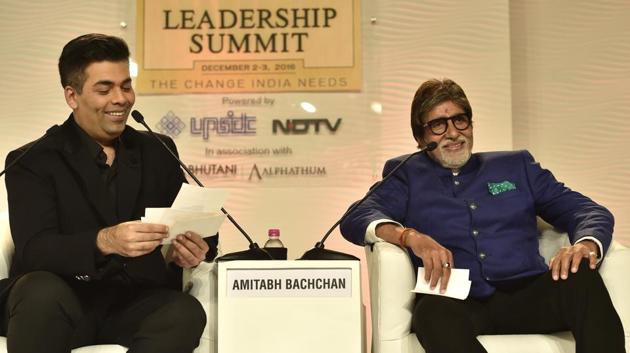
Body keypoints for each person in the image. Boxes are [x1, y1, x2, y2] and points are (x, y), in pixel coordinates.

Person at [340, 78, 625, 353]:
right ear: (420, 137)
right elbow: (357, 215)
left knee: (581, 278)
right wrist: (408, 236)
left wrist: (585, 245)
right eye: (438, 125)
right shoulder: (407, 174)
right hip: (458, 300)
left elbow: (587, 210)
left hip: (527, 294)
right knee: (432, 314)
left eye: (460, 120)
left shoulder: (516, 167)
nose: (453, 133)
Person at [0, 33, 214, 353]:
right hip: (59, 302)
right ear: (72, 96)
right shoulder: (32, 159)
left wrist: (196, 249)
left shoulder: (158, 150)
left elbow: (191, 222)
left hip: (131, 302)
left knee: (183, 312)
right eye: (105, 89)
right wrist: (106, 240)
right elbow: (35, 250)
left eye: (126, 86)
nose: (121, 98)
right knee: (40, 292)